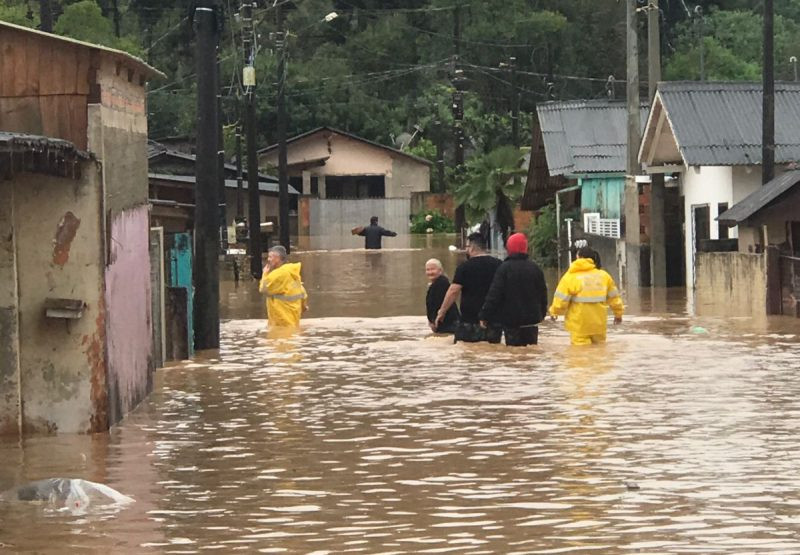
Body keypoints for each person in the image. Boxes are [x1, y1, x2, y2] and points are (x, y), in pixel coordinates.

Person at [478, 232, 548, 346]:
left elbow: (494, 294)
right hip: (531, 321)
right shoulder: (535, 268)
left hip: (511, 321)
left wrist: (484, 315)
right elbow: (543, 294)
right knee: (530, 353)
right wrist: (542, 314)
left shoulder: (504, 268)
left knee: (514, 354)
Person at [548, 245, 624, 346]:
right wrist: (618, 314)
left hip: (579, 325)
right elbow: (615, 299)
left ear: (578, 257)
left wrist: (554, 312)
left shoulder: (570, 277)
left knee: (581, 357)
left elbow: (561, 300)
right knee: (600, 356)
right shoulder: (604, 276)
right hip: (598, 325)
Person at [436, 232, 502, 342]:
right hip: (493, 321)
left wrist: (442, 311)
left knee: (467, 354)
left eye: (467, 247)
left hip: (470, 321)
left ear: (471, 247)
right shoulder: (499, 265)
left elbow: (453, 291)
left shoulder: (464, 267)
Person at [258, 245, 308, 328]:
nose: (268, 259)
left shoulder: (277, 275)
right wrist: (303, 306)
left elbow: (263, 289)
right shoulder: (292, 271)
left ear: (277, 258)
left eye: (270, 257)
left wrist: (265, 274)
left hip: (281, 321)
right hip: (293, 321)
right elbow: (302, 292)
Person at [425, 258, 459, 334]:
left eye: (433, 269)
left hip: (447, 324)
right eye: (428, 270)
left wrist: (433, 321)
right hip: (444, 324)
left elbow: (437, 303)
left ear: (440, 270)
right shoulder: (434, 284)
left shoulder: (442, 283)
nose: (430, 272)